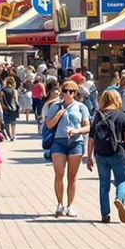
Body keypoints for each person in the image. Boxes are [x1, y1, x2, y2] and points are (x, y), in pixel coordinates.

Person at [86, 88, 125, 224]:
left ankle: (105, 215)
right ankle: (120, 198)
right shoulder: (122, 116)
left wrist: (89, 157)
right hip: (118, 153)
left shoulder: (96, 117)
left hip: (101, 154)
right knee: (122, 181)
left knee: (104, 185)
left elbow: (91, 139)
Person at [44, 81, 88, 219]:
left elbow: (87, 127)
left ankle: (70, 205)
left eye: (71, 91)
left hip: (76, 142)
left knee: (72, 176)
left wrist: (77, 130)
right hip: (59, 142)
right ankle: (59, 204)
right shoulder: (54, 106)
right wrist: (59, 115)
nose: (68, 93)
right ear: (62, 92)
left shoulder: (81, 107)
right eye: (65, 91)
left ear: (75, 93)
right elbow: (49, 124)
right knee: (59, 174)